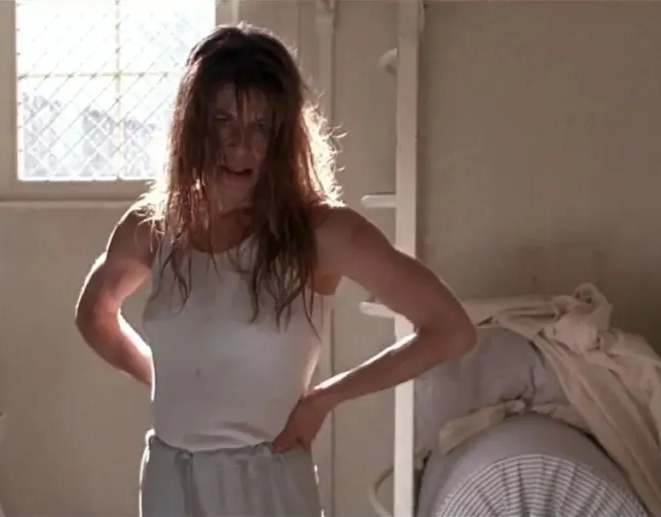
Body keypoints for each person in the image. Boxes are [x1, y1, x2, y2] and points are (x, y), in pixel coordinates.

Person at [75, 23, 476, 517]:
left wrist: (323, 399)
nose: (241, 144)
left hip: (266, 478)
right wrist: (164, 379)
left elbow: (450, 330)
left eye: (261, 126)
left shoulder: (324, 233)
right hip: (169, 477)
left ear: (283, 136)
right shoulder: (153, 226)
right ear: (194, 126)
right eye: (223, 120)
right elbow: (94, 315)